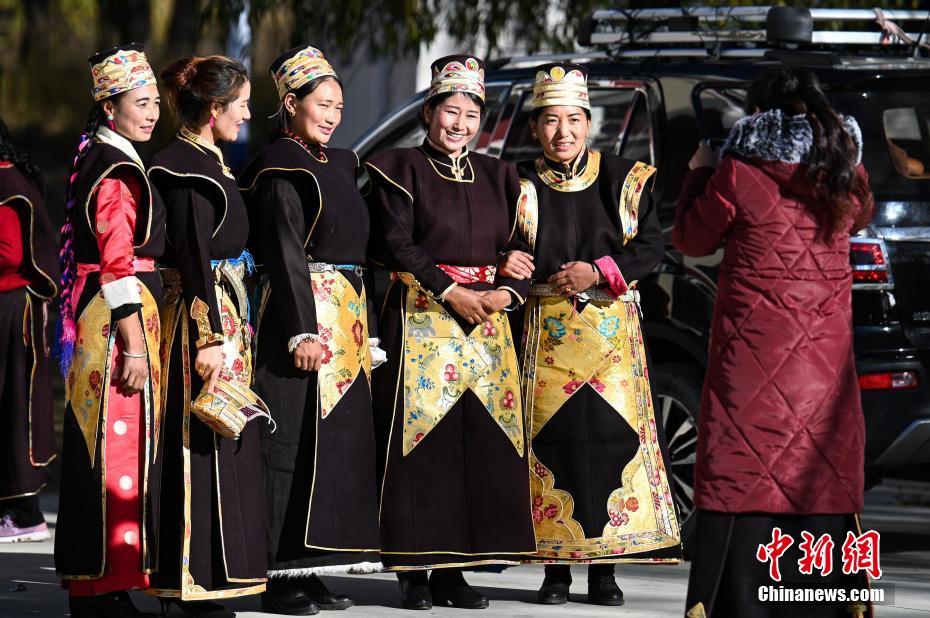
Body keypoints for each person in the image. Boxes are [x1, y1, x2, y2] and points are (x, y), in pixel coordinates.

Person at [674, 67, 875, 618]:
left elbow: (691, 237)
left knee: (744, 462)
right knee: (820, 463)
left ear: (757, 111)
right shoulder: (843, 169)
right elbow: (861, 218)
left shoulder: (738, 170)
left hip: (752, 354)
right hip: (822, 360)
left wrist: (699, 173)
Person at [497, 63, 681, 607]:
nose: (564, 133)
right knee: (553, 444)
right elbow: (499, 247)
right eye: (551, 121)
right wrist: (508, 262)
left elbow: (651, 248)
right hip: (546, 335)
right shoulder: (517, 184)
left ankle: (606, 571)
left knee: (612, 441)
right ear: (535, 128)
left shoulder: (626, 178)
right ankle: (555, 570)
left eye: (574, 120)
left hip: (610, 336)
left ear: (589, 121)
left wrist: (598, 272)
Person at [365, 54, 536, 611]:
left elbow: (524, 251)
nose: (459, 123)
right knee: (425, 449)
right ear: (429, 113)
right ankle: (414, 570)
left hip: (488, 324)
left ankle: (456, 570)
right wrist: (451, 291)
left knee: (478, 447)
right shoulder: (399, 168)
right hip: (424, 320)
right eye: (449, 111)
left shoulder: (503, 178)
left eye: (470, 113)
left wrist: (507, 291)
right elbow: (398, 244)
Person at [239, 44, 382, 615]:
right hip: (297, 318)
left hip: (343, 315)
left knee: (337, 443)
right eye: (321, 104)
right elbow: (284, 252)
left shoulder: (341, 163)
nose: (332, 115)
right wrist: (300, 330)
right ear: (291, 103)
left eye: (339, 106)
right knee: (291, 443)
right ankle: (280, 571)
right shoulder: (280, 168)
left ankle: (315, 561)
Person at [148, 55, 265, 615]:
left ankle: (220, 575)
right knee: (199, 442)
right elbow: (193, 258)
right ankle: (189, 583)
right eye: (240, 104)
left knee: (227, 439)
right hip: (206, 320)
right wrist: (209, 338)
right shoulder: (183, 169)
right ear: (214, 108)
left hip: (228, 315)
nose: (247, 113)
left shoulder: (209, 161)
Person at [53, 44, 165, 617]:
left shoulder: (102, 157)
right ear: (109, 106)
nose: (152, 113)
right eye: (140, 103)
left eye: (155, 103)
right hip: (116, 321)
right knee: (117, 446)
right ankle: (105, 586)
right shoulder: (117, 171)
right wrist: (135, 345)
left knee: (98, 444)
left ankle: (98, 585)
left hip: (100, 313)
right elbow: (118, 263)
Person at [0, 117, 59, 543]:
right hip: (12, 304)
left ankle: (23, 512)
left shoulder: (6, 183)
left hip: (12, 305)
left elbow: (11, 253)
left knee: (15, 405)